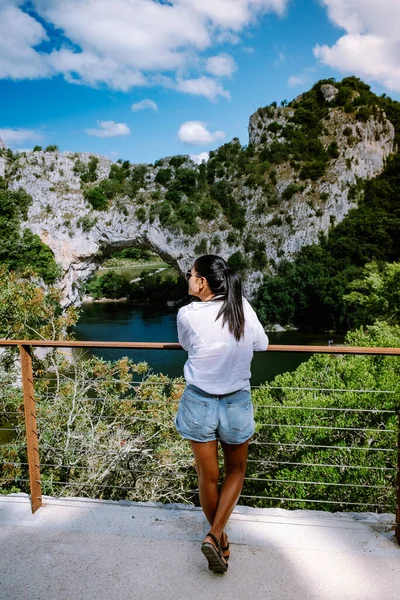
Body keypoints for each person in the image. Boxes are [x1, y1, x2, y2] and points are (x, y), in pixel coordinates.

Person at [175, 255, 268, 573]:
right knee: (236, 472)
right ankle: (216, 537)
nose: (187, 278)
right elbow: (262, 344)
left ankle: (219, 538)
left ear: (201, 282)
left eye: (190, 274)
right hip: (236, 403)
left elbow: (188, 346)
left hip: (199, 402)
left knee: (207, 477)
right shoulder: (240, 305)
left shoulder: (187, 314)